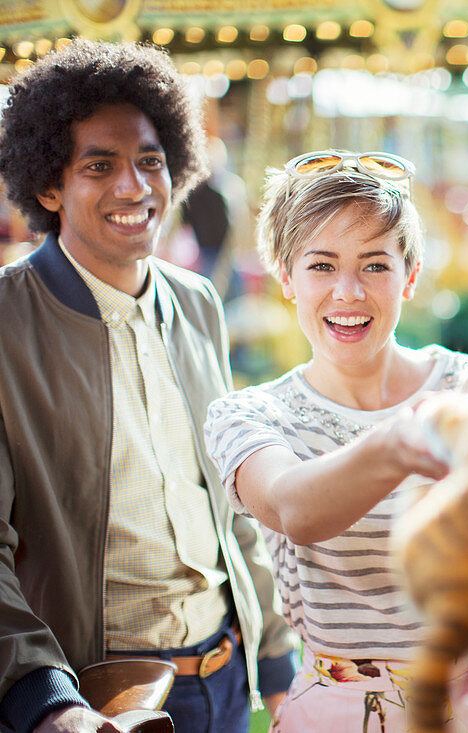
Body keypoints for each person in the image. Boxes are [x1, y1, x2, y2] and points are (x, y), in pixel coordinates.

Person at [0, 40, 298, 733]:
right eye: (99, 165)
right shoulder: (7, 324)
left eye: (150, 161)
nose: (134, 187)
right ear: (49, 186)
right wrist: (47, 702)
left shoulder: (197, 302)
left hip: (227, 678)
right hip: (96, 698)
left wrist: (279, 660)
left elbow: (230, 498)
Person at [203, 150, 468, 732]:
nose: (349, 292)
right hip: (337, 714)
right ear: (286, 277)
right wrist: (398, 444)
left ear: (410, 276)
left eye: (375, 266)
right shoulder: (251, 415)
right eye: (322, 266)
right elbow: (294, 508)